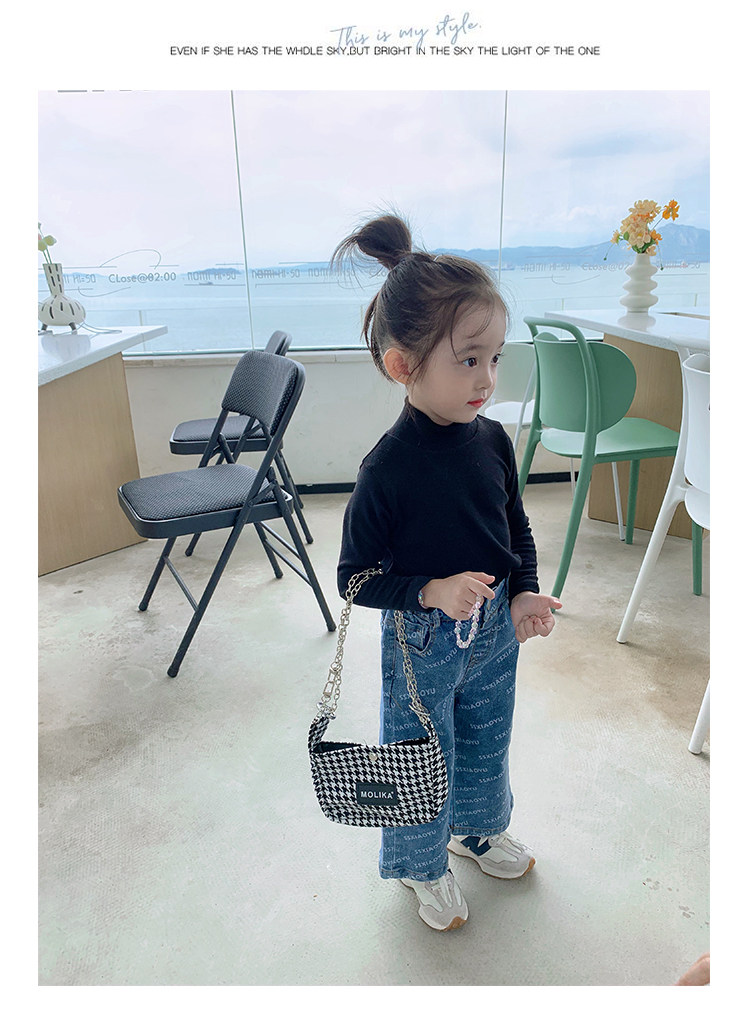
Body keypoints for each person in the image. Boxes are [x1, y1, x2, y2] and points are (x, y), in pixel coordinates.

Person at [333, 213, 562, 932]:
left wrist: (522, 590)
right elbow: (353, 579)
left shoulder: (492, 441)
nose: (488, 378)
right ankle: (418, 863)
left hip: (492, 629)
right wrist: (430, 590)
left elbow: (513, 526)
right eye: (468, 359)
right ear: (403, 365)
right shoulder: (386, 470)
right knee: (419, 756)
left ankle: (477, 830)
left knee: (488, 739)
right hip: (422, 639)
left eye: (495, 357)